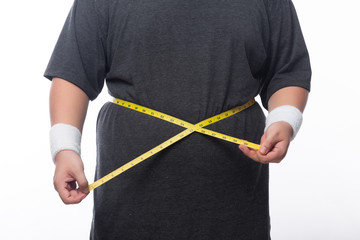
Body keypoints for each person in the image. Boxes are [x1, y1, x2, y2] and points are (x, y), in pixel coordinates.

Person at [45, 0, 311, 239]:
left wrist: (283, 121)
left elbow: (287, 71)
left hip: (234, 197)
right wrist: (65, 149)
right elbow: (73, 73)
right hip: (129, 200)